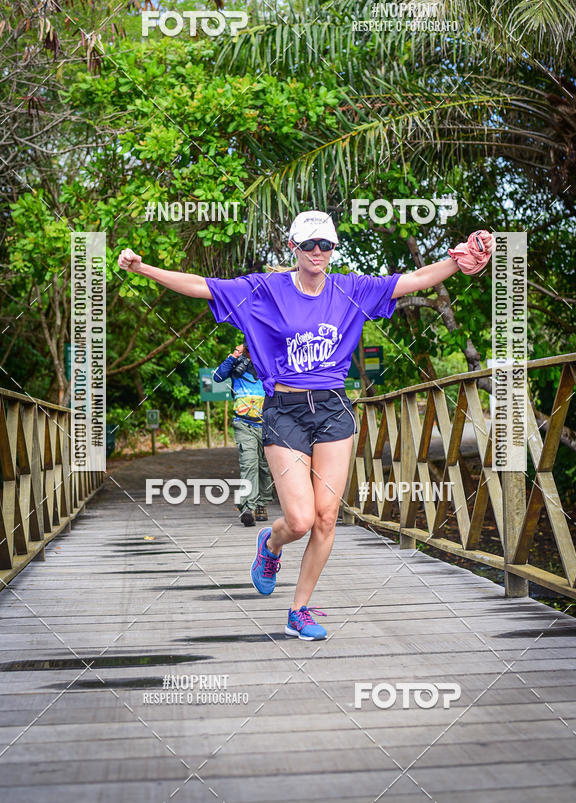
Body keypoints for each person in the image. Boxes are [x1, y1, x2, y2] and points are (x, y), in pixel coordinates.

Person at [118, 211, 494, 641]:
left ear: (333, 250)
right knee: (298, 520)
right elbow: (202, 285)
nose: (318, 252)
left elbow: (411, 280)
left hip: (333, 408)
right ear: (293, 248)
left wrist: (460, 258)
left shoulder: (351, 289)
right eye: (309, 245)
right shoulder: (264, 289)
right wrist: (142, 268)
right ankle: (271, 545)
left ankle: (298, 610)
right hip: (284, 408)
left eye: (326, 245)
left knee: (326, 518)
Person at [213, 341, 272, 526]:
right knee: (249, 464)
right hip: (243, 423)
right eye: (248, 349)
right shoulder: (237, 367)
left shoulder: (268, 363)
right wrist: (234, 355)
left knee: (265, 466)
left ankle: (262, 503)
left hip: (267, 424)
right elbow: (217, 377)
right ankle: (247, 507)